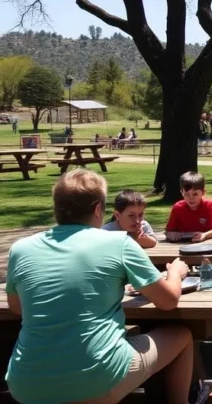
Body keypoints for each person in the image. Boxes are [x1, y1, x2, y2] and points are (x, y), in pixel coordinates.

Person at [5, 169, 198, 404]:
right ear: (98, 209)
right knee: (182, 335)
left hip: (26, 383)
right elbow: (168, 301)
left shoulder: (21, 248)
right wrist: (175, 273)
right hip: (96, 379)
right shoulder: (119, 242)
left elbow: (17, 307)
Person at [165, 172, 212, 243]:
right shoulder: (178, 207)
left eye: (195, 194)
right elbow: (168, 231)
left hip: (205, 243)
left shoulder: (210, 205)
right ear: (182, 192)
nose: (190, 198)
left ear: (203, 192)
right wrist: (171, 234)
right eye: (186, 194)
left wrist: (205, 235)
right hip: (180, 244)